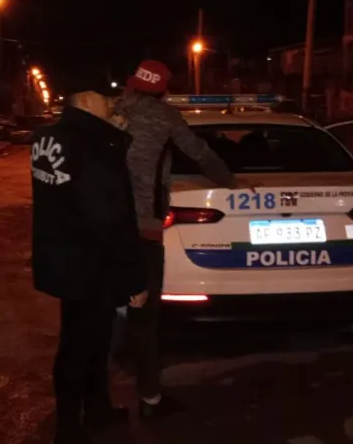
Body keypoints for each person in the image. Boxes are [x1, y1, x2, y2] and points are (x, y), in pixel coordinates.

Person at [113, 59, 251, 419]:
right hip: (144, 229)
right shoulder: (166, 117)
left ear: (131, 84)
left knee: (107, 309)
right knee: (145, 316)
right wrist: (231, 182)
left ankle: (94, 397)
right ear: (163, 91)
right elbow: (200, 153)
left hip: (105, 226)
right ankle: (150, 398)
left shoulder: (110, 113)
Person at [30, 67, 148, 444]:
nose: (110, 103)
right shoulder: (93, 145)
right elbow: (109, 217)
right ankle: (69, 426)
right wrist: (133, 278)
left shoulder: (53, 137)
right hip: (91, 262)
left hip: (66, 256)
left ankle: (94, 410)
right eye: (103, 98)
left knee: (92, 340)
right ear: (84, 101)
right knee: (80, 346)